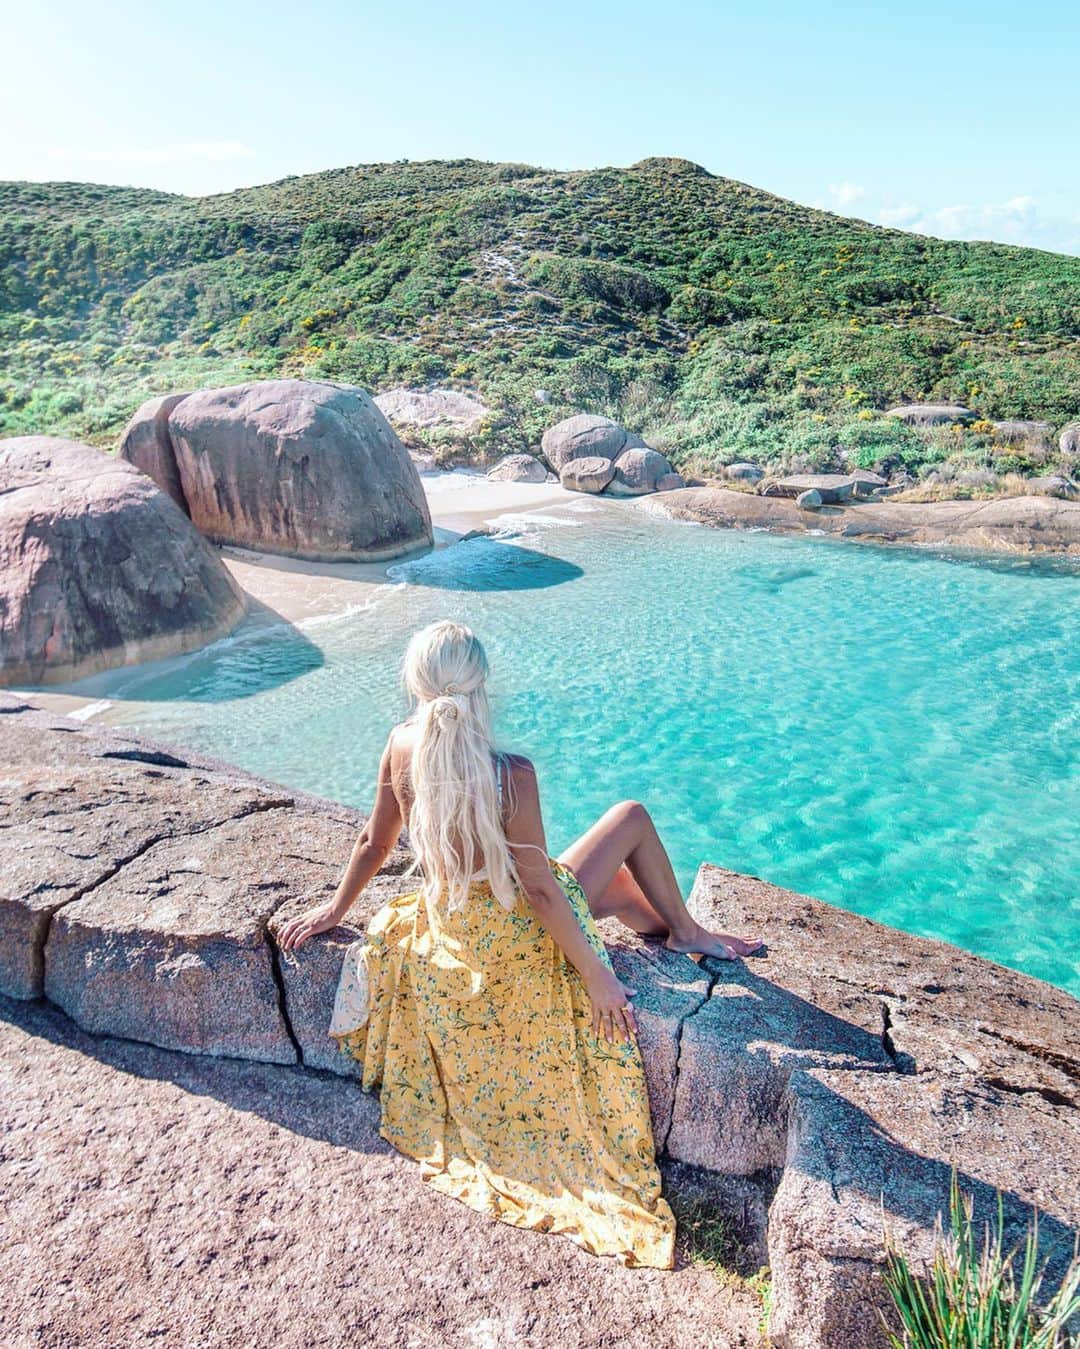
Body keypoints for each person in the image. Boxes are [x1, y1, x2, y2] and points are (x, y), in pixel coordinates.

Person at [276, 620, 763, 1268]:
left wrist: (335, 908)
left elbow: (375, 841)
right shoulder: (510, 772)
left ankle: (671, 926)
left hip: (453, 928)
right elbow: (537, 889)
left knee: (610, 884)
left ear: (417, 683)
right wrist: (595, 974)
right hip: (513, 935)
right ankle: (688, 931)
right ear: (481, 685)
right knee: (630, 819)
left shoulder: (401, 746)